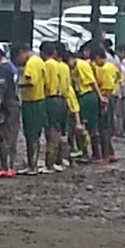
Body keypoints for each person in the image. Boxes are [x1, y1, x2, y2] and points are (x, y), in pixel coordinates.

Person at [0, 47, 20, 178]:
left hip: (6, 106)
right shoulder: (13, 67)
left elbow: (2, 86)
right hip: (15, 105)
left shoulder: (1, 68)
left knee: (1, 135)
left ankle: (4, 167)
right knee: (13, 136)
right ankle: (11, 166)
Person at [16, 43, 47, 176]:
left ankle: (32, 165)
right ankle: (32, 164)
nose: (19, 60)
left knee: (31, 134)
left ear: (23, 52)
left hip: (31, 101)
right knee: (35, 134)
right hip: (40, 100)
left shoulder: (31, 63)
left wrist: (17, 83)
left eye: (18, 56)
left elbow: (30, 81)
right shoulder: (40, 61)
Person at [66, 48, 99, 161]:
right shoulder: (73, 68)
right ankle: (84, 151)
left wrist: (100, 96)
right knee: (81, 127)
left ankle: (91, 153)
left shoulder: (81, 65)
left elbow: (92, 81)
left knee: (86, 127)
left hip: (87, 96)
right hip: (81, 96)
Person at [40, 41, 68, 173]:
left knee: (50, 131)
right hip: (62, 99)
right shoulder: (63, 66)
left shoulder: (47, 65)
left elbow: (45, 84)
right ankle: (59, 161)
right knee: (58, 130)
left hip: (51, 99)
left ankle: (49, 164)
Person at [92, 46, 120, 163]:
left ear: (98, 57)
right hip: (110, 96)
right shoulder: (111, 67)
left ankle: (105, 156)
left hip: (107, 97)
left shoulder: (106, 68)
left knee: (103, 128)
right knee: (105, 127)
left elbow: (108, 87)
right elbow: (119, 77)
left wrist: (105, 102)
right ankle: (111, 153)